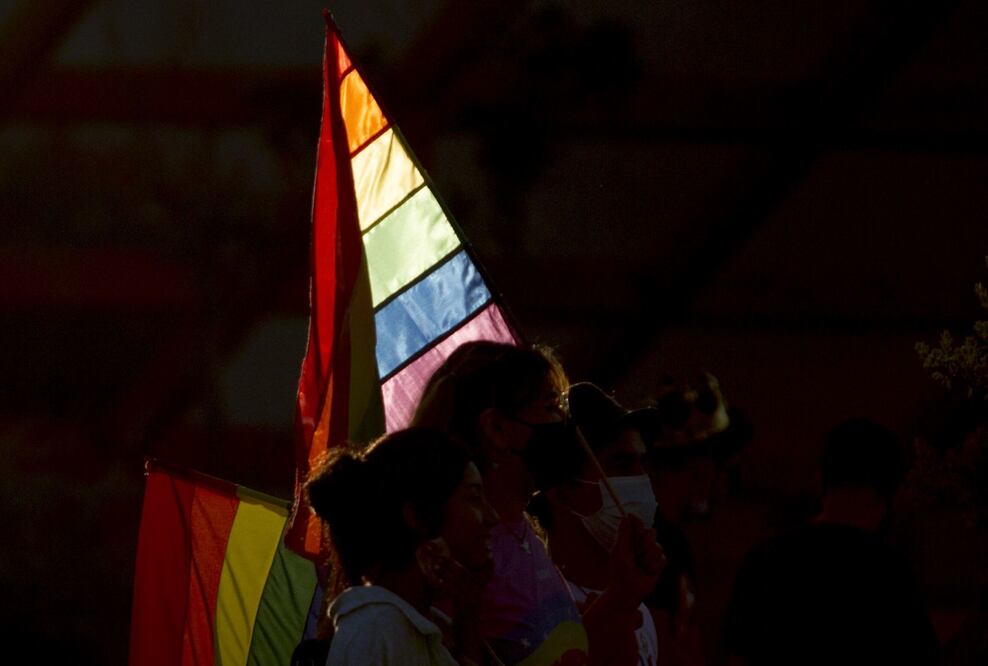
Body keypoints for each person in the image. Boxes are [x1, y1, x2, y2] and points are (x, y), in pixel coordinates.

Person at [413, 341, 663, 665]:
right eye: (550, 408)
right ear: (498, 428)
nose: (565, 425)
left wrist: (622, 593)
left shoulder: (525, 539)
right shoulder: (468, 555)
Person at [723, 418, 939, 665]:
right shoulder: (888, 571)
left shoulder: (765, 560)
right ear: (887, 492)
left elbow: (739, 656)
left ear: (820, 479)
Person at [305, 427, 499, 665]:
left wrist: (469, 618)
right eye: (473, 498)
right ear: (418, 516)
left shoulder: (429, 626)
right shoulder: (375, 633)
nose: (492, 517)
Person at [529, 382, 665, 666]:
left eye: (642, 463)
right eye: (622, 464)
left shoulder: (640, 610)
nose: (642, 479)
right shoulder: (539, 616)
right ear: (564, 490)